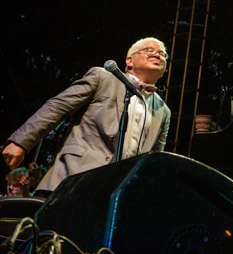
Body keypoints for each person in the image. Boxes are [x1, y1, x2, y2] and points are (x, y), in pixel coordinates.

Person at [2, 37, 171, 192]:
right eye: (150, 50)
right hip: (76, 178)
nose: (157, 55)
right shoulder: (103, 77)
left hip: (119, 192)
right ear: (129, 60)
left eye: (162, 54)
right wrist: (21, 141)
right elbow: (58, 107)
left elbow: (154, 157)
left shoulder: (163, 111)